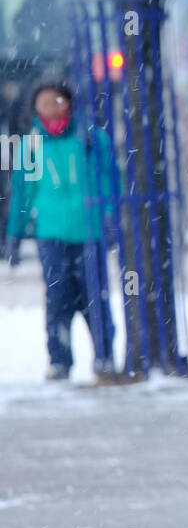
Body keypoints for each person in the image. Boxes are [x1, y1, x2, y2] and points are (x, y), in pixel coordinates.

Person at [5, 79, 116, 382]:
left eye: (56, 101)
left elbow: (109, 179)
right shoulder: (31, 145)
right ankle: (59, 360)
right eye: (43, 103)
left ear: (68, 103)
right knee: (57, 300)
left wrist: (109, 216)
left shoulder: (91, 138)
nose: (50, 108)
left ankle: (105, 356)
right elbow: (23, 193)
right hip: (51, 235)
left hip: (89, 232)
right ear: (35, 108)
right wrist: (14, 234)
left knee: (95, 297)